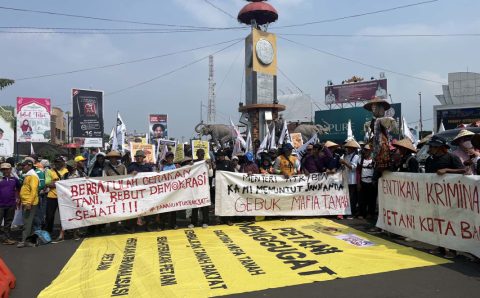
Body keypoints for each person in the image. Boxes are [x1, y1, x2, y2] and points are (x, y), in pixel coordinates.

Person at [425, 135, 465, 259]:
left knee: (450, 223)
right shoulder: (429, 160)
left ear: (440, 148)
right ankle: (441, 247)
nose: (430, 149)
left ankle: (453, 250)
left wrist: (447, 170)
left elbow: (463, 171)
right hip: (434, 196)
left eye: (432, 147)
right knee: (437, 222)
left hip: (449, 199)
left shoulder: (452, 157)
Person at [127, 150, 154, 232]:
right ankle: (133, 226)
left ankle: (148, 225)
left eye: (140, 156)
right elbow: (126, 176)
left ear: (143, 158)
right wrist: (131, 173)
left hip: (146, 191)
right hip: (135, 192)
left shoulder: (148, 166)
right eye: (137, 156)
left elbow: (152, 176)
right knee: (134, 209)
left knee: (147, 209)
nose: (138, 158)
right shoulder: (131, 166)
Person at [45, 157, 68, 241]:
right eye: (56, 162)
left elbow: (69, 183)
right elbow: (47, 183)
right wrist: (61, 183)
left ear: (62, 163)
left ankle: (63, 232)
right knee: (49, 216)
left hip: (63, 197)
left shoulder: (66, 171)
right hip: (52, 196)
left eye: (59, 162)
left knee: (64, 216)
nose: (57, 164)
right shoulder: (49, 171)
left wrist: (55, 182)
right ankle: (48, 232)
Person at [18, 159, 39, 248]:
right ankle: (29, 240)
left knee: (27, 223)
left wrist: (29, 203)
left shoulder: (32, 176)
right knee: (28, 222)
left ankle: (24, 241)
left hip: (29, 203)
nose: (22, 167)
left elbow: (33, 191)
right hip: (26, 202)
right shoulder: (28, 175)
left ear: (29, 166)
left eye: (24, 166)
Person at [190, 149, 213, 228]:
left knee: (205, 206)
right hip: (196, 188)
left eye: (203, 154)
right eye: (200, 154)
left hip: (204, 188)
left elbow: (210, 175)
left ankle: (205, 221)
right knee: (195, 205)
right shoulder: (194, 163)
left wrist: (210, 165)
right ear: (197, 154)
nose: (202, 155)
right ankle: (193, 222)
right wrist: (190, 165)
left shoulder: (206, 163)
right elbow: (189, 173)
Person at [0, 163, 20, 245]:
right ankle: (3, 237)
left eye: (7, 169)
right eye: (3, 169)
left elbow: (19, 189)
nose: (5, 171)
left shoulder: (15, 179)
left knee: (8, 223)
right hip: (0, 205)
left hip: (11, 204)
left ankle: (6, 238)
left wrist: (18, 198)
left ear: (10, 169)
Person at [340, 140, 361, 219]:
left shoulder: (356, 157)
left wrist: (344, 163)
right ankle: (347, 211)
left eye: (348, 148)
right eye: (347, 148)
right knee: (347, 197)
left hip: (352, 180)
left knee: (352, 198)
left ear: (352, 148)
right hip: (346, 179)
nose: (347, 149)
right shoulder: (346, 156)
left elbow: (353, 168)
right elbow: (344, 167)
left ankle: (352, 212)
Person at [160, 152, 179, 230]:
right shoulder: (163, 167)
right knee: (164, 209)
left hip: (174, 190)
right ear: (166, 159)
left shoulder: (177, 166)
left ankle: (173, 224)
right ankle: (162, 225)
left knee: (173, 209)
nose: (170, 159)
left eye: (171, 157)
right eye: (168, 157)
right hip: (165, 191)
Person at [358, 145, 376, 219]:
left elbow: (376, 171)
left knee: (371, 199)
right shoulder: (361, 160)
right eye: (365, 150)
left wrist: (374, 180)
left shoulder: (374, 160)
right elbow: (358, 172)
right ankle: (362, 213)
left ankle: (370, 213)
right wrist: (358, 182)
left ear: (370, 151)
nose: (365, 151)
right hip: (363, 181)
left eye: (367, 150)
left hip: (371, 182)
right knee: (362, 199)